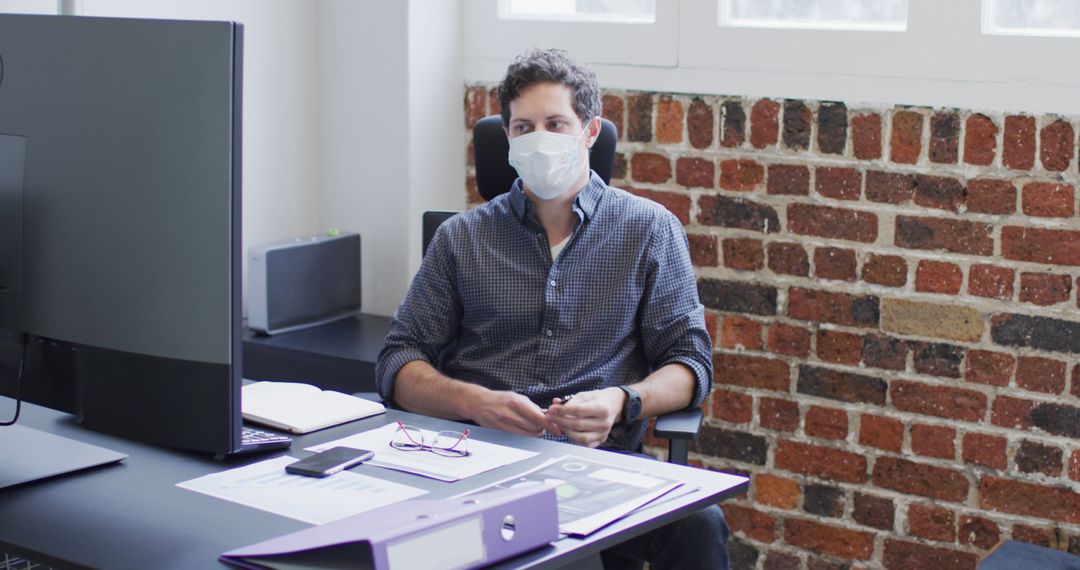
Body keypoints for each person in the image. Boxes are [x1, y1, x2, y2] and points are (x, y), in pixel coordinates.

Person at [376, 47, 729, 570]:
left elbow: (691, 365)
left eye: (556, 123)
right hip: (473, 461)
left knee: (701, 524)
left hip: (594, 467)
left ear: (590, 131)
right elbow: (396, 363)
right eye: (524, 127)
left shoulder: (649, 229)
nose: (539, 138)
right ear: (507, 138)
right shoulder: (462, 238)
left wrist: (621, 401)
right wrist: (473, 402)